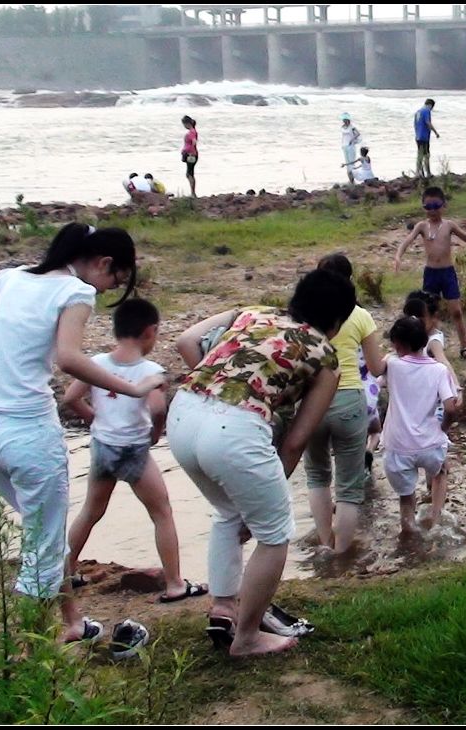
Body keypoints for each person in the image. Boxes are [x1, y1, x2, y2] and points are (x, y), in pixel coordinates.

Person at [0, 222, 164, 649]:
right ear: (102, 263)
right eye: (113, 280)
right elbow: (68, 358)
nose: (105, 290)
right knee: (44, 547)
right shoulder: (75, 291)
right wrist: (131, 386)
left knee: (40, 534)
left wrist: (1, 376)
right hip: (27, 432)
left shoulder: (10, 277)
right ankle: (23, 655)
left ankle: (73, 622)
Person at [168, 269, 356, 657]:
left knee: (227, 514)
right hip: (235, 429)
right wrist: (273, 490)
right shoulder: (326, 356)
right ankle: (248, 636)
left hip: (183, 413)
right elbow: (296, 441)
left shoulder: (253, 313)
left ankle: (224, 607)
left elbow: (185, 341)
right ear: (337, 321)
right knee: (273, 533)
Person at [63, 298, 207, 605]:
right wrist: (156, 433)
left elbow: (71, 398)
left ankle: (64, 572)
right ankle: (175, 584)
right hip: (133, 451)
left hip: (103, 447)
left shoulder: (98, 364)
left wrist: (95, 419)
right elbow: (156, 408)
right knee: (162, 512)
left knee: (91, 511)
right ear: (150, 332)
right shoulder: (151, 370)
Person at [304, 254, 384, 555]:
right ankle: (341, 555)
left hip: (311, 402)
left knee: (316, 476)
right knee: (349, 488)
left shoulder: (304, 314)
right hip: (350, 399)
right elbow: (376, 368)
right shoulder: (361, 316)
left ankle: (324, 545)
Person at [375, 316, 457, 533]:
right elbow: (450, 407)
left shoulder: (392, 364)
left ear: (398, 344)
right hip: (429, 444)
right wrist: (444, 429)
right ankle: (436, 522)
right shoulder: (439, 370)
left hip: (397, 447)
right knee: (440, 471)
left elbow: (375, 380)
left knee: (406, 498)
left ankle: (409, 532)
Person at [393, 186, 466, 359]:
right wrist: (398, 256)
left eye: (436, 206)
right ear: (423, 206)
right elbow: (407, 241)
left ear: (443, 205)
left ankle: (464, 347)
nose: (432, 210)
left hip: (447, 273)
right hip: (431, 273)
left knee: (456, 312)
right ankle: (425, 347)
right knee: (428, 313)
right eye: (428, 207)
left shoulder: (449, 225)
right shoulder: (422, 226)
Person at [403, 291, 463, 415]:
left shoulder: (433, 340)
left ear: (434, 317)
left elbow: (443, 361)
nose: (415, 324)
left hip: (431, 395)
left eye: (420, 320)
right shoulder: (411, 335)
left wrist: (456, 387)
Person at [413, 98, 439, 180]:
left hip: (418, 136)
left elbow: (415, 125)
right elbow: (428, 123)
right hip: (424, 137)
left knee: (420, 154)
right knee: (426, 155)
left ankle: (420, 172)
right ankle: (427, 173)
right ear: (430, 105)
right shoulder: (426, 111)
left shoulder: (418, 112)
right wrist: (436, 132)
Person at [339, 113, 362, 185]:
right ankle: (351, 180)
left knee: (351, 163)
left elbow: (358, 134)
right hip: (344, 146)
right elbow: (343, 136)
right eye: (344, 120)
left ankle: (353, 179)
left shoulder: (352, 127)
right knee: (347, 163)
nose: (345, 121)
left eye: (346, 120)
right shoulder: (342, 127)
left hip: (350, 146)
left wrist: (352, 140)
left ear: (348, 120)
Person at [181, 115, 198, 198]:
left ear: (187, 123)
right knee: (190, 173)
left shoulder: (191, 132)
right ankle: (193, 193)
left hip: (191, 154)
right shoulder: (193, 131)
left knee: (189, 174)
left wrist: (191, 152)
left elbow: (194, 142)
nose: (184, 126)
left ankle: (193, 193)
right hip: (191, 153)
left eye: (184, 124)